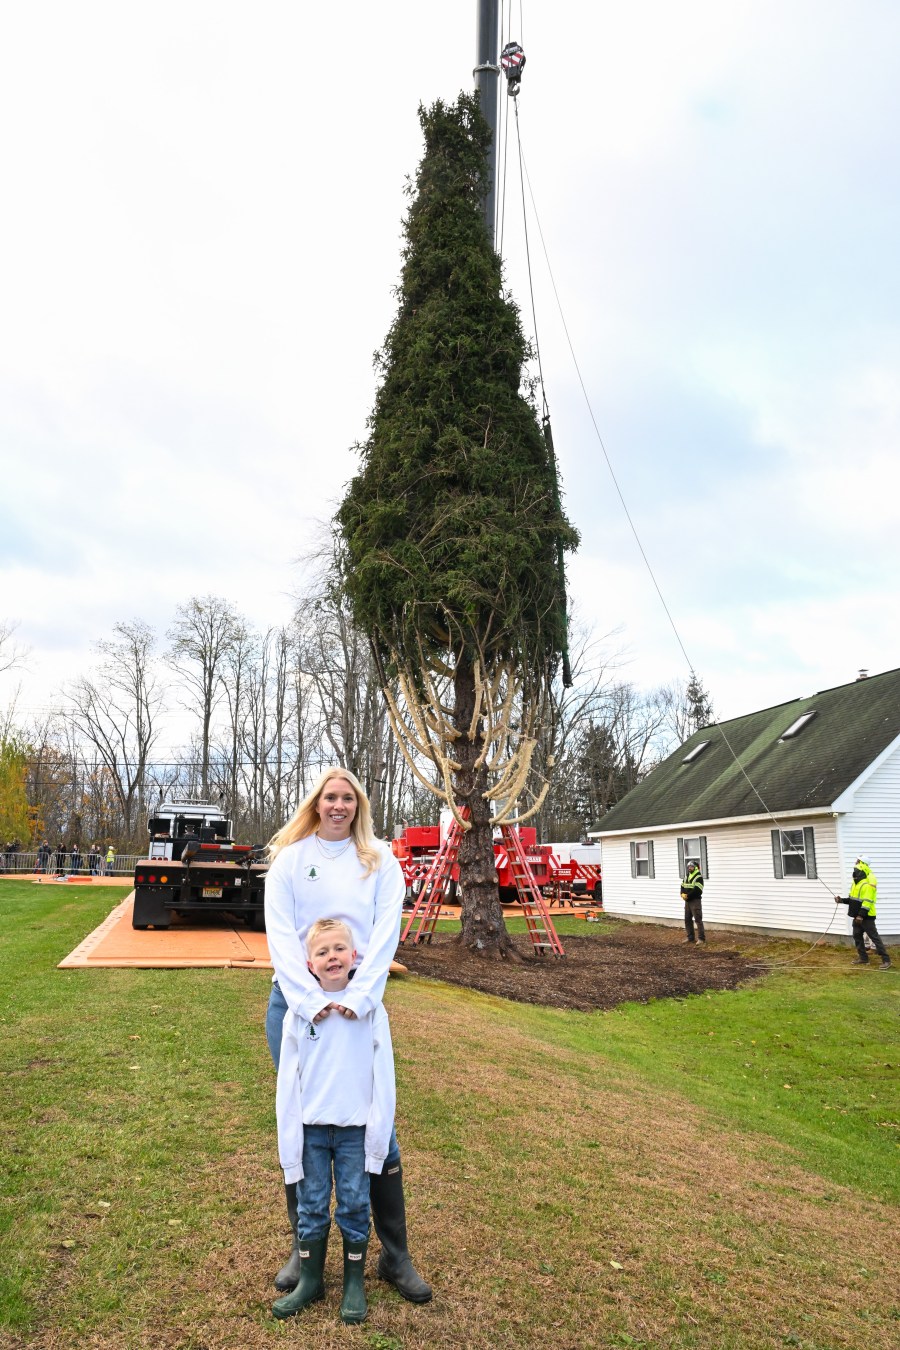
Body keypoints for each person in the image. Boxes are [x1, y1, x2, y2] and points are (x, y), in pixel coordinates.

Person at [264, 767, 431, 1304]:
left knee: (377, 1128)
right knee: (303, 1121)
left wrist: (358, 999)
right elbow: (281, 939)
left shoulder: (380, 860)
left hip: (361, 1007)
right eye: (330, 797)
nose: (339, 806)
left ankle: (394, 1256)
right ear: (316, 803)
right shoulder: (290, 861)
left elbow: (386, 932)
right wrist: (310, 1002)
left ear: (359, 805)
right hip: (296, 1006)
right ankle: (303, 1248)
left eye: (348, 798)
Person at [272, 917, 395, 1324]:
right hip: (311, 1130)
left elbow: (383, 1077)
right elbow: (288, 1082)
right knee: (311, 1205)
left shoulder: (370, 1011)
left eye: (339, 949)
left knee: (355, 1203)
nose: (332, 957)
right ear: (309, 963)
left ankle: (353, 1282)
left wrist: (377, 1132)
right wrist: (289, 1135)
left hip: (354, 1130)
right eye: (322, 952)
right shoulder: (299, 1014)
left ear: (355, 955)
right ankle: (311, 1281)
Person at [836, 855, 891, 969]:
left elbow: (867, 902)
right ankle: (863, 958)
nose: (855, 867)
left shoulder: (867, 884)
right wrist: (841, 900)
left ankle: (886, 960)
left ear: (861, 866)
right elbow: (853, 900)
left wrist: (861, 916)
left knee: (874, 938)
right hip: (857, 916)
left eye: (857, 863)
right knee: (857, 935)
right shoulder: (856, 884)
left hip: (866, 916)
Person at [680, 858, 706, 944]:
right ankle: (690, 938)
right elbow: (682, 886)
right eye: (688, 867)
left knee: (698, 920)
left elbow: (698, 890)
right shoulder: (687, 876)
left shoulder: (699, 877)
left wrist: (688, 896)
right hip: (687, 901)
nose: (689, 868)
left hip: (695, 901)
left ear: (696, 868)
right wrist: (682, 894)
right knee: (687, 919)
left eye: (691, 867)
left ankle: (701, 939)